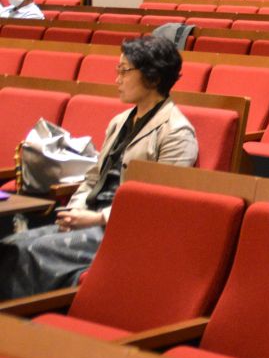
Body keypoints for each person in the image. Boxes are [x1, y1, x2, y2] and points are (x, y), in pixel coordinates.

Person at [0, 36, 199, 299]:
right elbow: (93, 178)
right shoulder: (120, 121)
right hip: (89, 218)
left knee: (26, 252)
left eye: (124, 71)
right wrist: (75, 210)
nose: (117, 79)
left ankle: (21, 319)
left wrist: (98, 218)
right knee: (9, 245)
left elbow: (160, 204)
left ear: (153, 78)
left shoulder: (176, 132)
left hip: (126, 231)